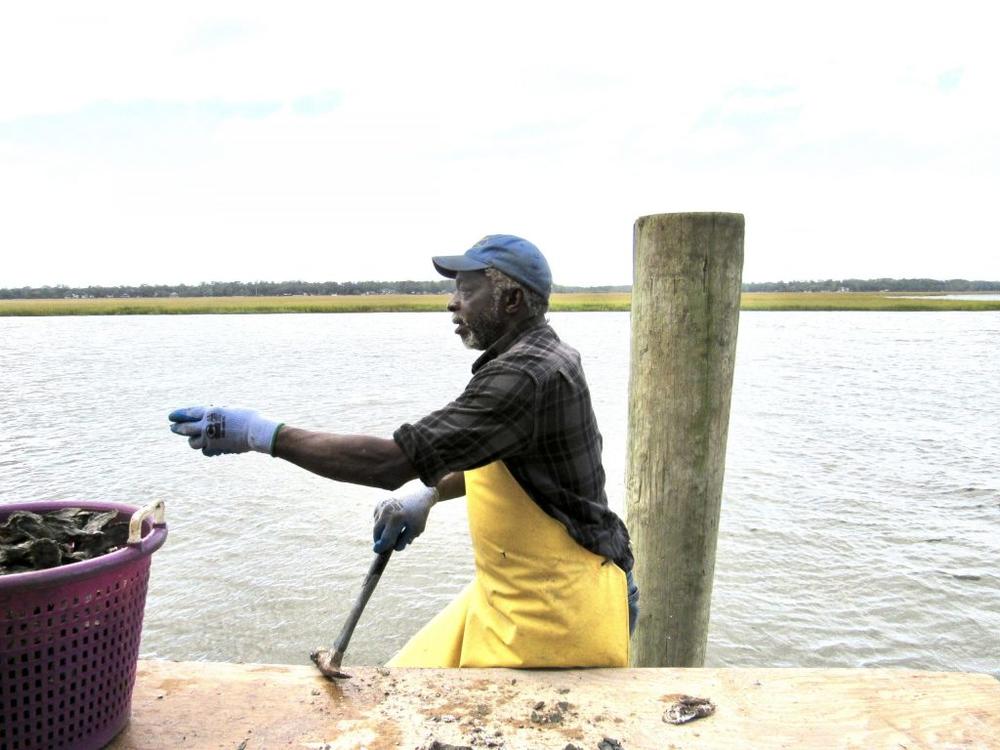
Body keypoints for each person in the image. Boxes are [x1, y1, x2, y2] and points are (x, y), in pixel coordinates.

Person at [168, 234, 638, 668]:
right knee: (402, 678)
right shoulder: (539, 354)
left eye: (467, 291)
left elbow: (388, 462)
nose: (452, 304)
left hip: (560, 606)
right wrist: (431, 495)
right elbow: (503, 460)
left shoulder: (524, 376)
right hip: (512, 591)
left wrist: (261, 435)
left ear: (512, 300)